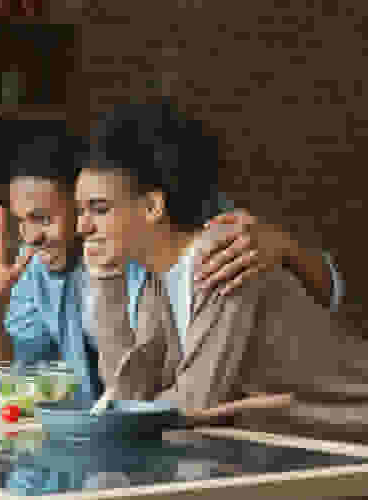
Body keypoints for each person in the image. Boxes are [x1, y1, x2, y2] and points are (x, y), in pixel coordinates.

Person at [0, 124, 344, 405]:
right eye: (23, 222)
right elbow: (14, 385)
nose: (31, 237)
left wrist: (288, 247)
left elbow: (192, 398)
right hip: (213, 442)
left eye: (44, 218)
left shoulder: (201, 245)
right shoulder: (57, 270)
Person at [77, 101, 368, 443]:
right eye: (81, 211)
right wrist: (107, 281)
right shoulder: (159, 283)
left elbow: (194, 401)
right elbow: (127, 396)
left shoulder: (222, 256)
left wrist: (120, 422)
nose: (83, 226)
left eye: (99, 209)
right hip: (318, 449)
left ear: (153, 207)